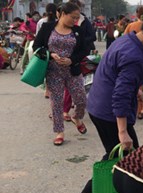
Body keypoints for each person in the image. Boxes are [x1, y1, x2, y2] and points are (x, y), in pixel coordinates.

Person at [79, 10, 143, 193]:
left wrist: (136, 92)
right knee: (130, 157)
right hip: (109, 112)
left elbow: (117, 76)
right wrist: (122, 132)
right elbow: (120, 95)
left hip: (99, 105)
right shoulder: (133, 56)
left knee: (118, 156)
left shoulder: (127, 40)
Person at [33, 2, 89, 145]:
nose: (75, 21)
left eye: (77, 18)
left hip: (72, 70)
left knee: (81, 98)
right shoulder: (47, 28)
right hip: (53, 71)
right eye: (73, 17)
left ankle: (77, 117)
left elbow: (84, 50)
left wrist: (71, 60)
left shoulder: (78, 31)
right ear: (63, 14)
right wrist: (51, 54)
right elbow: (37, 46)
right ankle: (59, 132)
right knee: (56, 103)